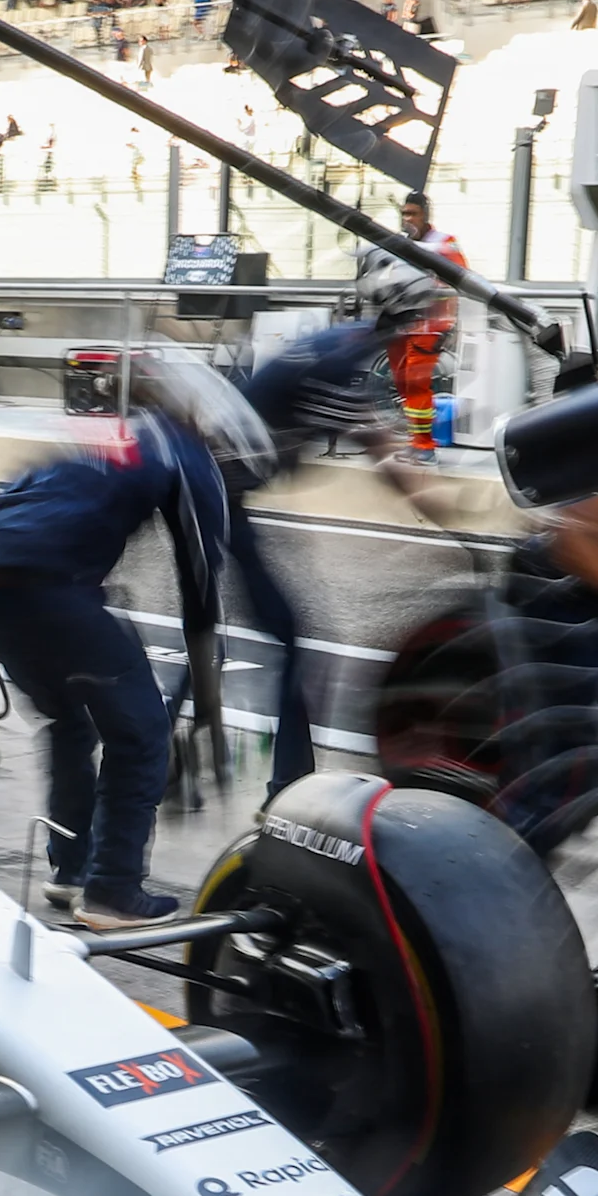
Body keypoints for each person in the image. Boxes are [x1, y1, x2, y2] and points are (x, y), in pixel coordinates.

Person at [0, 405, 229, 923]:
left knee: (69, 720)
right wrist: (205, 709)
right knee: (141, 734)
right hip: (49, 581)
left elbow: (32, 497)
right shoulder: (190, 457)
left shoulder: (112, 437)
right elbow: (200, 591)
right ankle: (114, 890)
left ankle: (71, 871)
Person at [236, 255, 470, 788]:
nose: (438, 323)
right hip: (211, 501)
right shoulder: (342, 361)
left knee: (267, 631)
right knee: (291, 639)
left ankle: (276, 773)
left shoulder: (342, 345)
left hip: (224, 498)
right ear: (410, 316)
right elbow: (385, 456)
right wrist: (455, 520)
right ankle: (285, 784)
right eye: (431, 314)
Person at [387, 192, 470, 437]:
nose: (407, 219)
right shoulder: (398, 243)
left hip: (429, 325)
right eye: (404, 214)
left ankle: (423, 446)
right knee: (404, 385)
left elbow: (461, 280)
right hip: (401, 324)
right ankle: (416, 440)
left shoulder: (444, 242)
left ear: (425, 216)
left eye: (412, 214)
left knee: (416, 384)